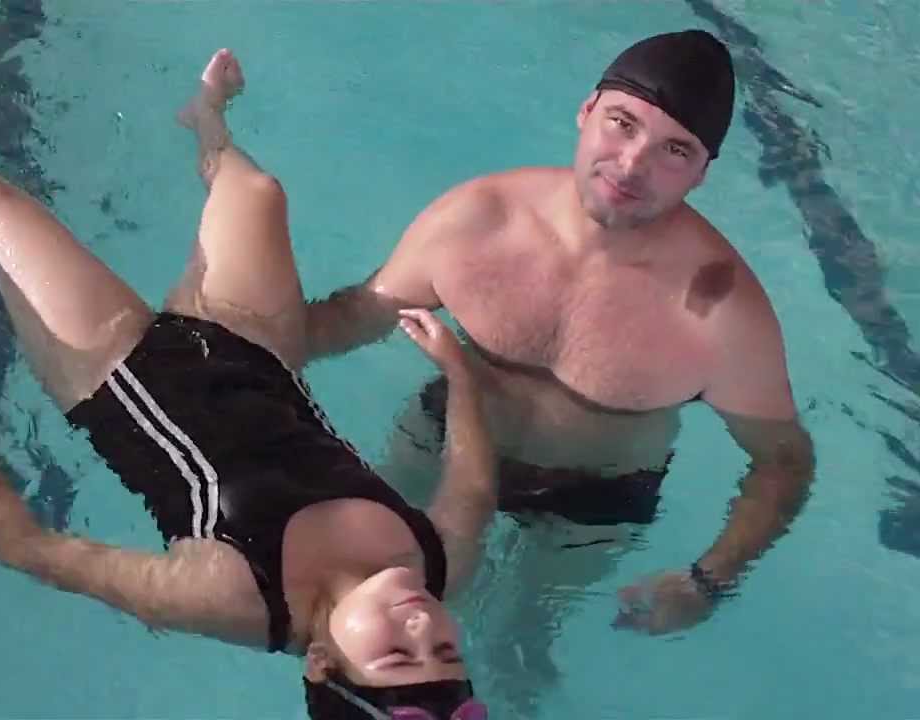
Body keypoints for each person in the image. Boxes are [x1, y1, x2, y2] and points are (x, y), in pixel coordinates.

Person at [0, 50, 494, 720]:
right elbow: (474, 489)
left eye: (397, 656)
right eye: (449, 653)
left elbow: (27, 548)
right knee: (258, 193)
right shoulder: (438, 563)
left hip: (117, 369)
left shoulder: (229, 597)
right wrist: (458, 373)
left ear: (321, 662)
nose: (424, 627)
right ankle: (205, 121)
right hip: (258, 354)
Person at [302, 26, 817, 696]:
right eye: (621, 124)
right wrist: (226, 356)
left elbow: (783, 461)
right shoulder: (477, 220)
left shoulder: (722, 312)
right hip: (444, 441)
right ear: (585, 111)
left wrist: (707, 581)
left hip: (595, 500)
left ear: (702, 171)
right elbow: (350, 317)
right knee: (356, 622)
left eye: (674, 150)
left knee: (518, 651)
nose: (632, 165)